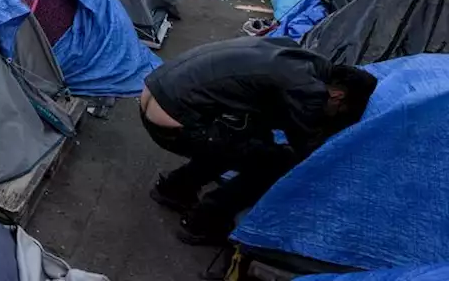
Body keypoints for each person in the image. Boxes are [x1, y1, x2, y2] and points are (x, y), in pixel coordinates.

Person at [140, 36, 378, 245]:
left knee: (246, 140)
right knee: (274, 162)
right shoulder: (309, 89)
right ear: (338, 95)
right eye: (341, 111)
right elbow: (306, 149)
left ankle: (174, 189)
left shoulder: (298, 56)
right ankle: (201, 222)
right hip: (174, 122)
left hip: (156, 92)